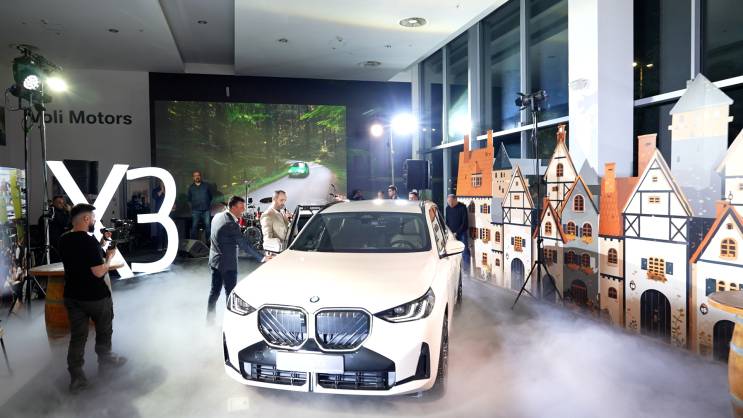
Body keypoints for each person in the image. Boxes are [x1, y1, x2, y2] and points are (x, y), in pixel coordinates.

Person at [59, 204, 127, 393]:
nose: (95, 221)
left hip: (72, 296)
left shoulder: (64, 239)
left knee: (77, 338)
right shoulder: (88, 242)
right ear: (86, 219)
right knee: (104, 332)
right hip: (95, 297)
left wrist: (102, 243)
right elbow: (98, 271)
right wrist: (109, 258)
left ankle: (76, 379)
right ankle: (105, 366)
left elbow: (83, 256)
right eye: (94, 218)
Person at [208, 196, 267, 323]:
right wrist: (262, 257)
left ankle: (209, 322)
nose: (243, 210)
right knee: (230, 295)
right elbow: (244, 245)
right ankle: (230, 323)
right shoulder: (231, 224)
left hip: (214, 261)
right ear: (233, 207)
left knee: (214, 293)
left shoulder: (217, 216)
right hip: (227, 265)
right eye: (241, 207)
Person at [444, 194, 470, 272]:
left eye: (451, 202)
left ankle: (466, 271)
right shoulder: (447, 208)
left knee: (465, 251)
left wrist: (457, 233)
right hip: (452, 234)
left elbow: (465, 223)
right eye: (449, 202)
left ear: (456, 200)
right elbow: (447, 222)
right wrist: (449, 232)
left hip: (462, 233)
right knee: (452, 252)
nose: (450, 204)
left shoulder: (462, 207)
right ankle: (455, 270)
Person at [187, 170, 212, 242]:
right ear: (193, 177)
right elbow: (189, 199)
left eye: (198, 175)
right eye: (195, 176)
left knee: (208, 227)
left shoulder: (206, 186)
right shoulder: (191, 187)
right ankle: (193, 243)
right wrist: (192, 208)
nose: (197, 177)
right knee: (194, 227)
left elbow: (210, 197)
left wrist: (207, 204)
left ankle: (209, 243)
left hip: (206, 210)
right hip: (195, 211)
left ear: (200, 176)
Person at [48, 195, 71, 262]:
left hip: (58, 239)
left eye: (62, 203)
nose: (62, 205)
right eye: (59, 202)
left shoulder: (59, 212)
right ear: (54, 203)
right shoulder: (54, 213)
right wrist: (68, 212)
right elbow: (65, 223)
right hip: (55, 240)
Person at [151, 180, 166, 251]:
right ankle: (160, 246)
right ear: (159, 182)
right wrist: (161, 190)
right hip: (159, 212)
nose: (163, 183)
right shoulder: (155, 190)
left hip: (167, 212)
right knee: (159, 229)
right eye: (161, 182)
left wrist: (164, 191)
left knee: (166, 229)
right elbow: (155, 197)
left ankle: (165, 245)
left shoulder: (168, 189)